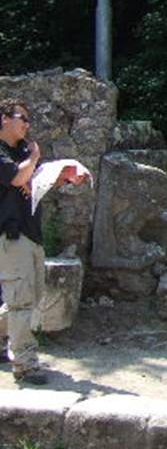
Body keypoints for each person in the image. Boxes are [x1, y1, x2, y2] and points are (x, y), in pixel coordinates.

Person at [0, 99, 87, 385]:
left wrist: (64, 177)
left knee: (32, 298)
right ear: (4, 119)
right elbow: (16, 179)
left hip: (32, 233)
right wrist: (35, 158)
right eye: (21, 118)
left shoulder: (23, 151)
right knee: (22, 302)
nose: (27, 124)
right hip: (10, 236)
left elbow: (34, 183)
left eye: (28, 119)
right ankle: (25, 365)